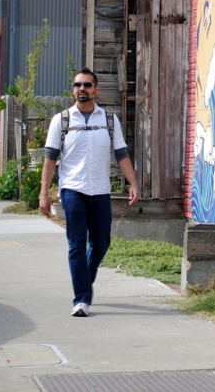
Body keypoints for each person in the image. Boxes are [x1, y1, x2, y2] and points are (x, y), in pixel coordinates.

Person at [39, 67, 139, 317]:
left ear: (96, 89)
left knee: (102, 242)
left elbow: (121, 154)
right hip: (72, 189)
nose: (81, 89)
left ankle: (84, 278)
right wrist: (44, 193)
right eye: (77, 85)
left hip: (100, 190)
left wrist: (133, 183)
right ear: (73, 90)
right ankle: (81, 299)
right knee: (76, 244)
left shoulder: (109, 120)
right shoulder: (61, 120)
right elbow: (50, 159)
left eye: (86, 85)